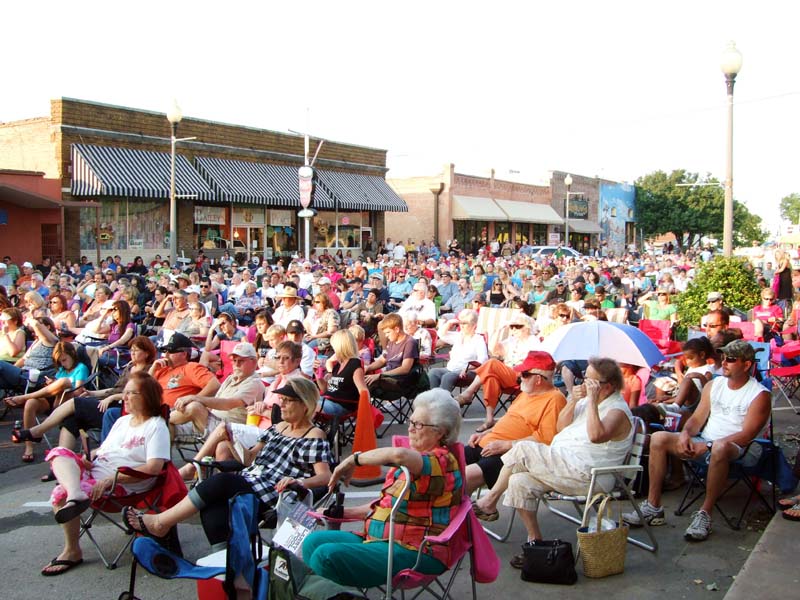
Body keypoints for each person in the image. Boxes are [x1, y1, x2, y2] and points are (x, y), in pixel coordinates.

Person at [125, 377, 331, 550]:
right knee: (213, 504)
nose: (281, 404)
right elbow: (249, 459)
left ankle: (161, 522)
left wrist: (299, 482)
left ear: (304, 405)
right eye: (281, 399)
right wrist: (232, 441)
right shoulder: (278, 428)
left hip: (275, 492)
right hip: (252, 478)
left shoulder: (313, 435)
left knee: (221, 482)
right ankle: (226, 562)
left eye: (287, 401)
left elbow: (325, 476)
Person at [473, 357, 633, 568]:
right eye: (584, 378)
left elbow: (596, 435)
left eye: (591, 382)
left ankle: (489, 502)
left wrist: (592, 402)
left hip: (590, 474)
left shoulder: (617, 410)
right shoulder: (586, 401)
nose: (584, 384)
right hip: (563, 466)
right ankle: (535, 542)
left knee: (522, 448)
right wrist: (575, 400)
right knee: (519, 481)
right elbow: (560, 426)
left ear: (608, 386)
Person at [302, 389, 462, 588]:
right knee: (313, 542)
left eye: (418, 425)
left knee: (325, 557)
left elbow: (398, 456)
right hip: (381, 540)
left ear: (441, 432)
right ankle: (330, 592)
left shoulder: (440, 461)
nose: (410, 429)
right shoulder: (417, 460)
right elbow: (387, 505)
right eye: (411, 422)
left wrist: (353, 459)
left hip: (418, 550)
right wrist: (343, 511)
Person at [623, 340, 770, 541]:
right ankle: (653, 506)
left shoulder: (759, 394)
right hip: (706, 441)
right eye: (724, 357)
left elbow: (747, 435)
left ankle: (705, 514)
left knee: (719, 447)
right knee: (658, 438)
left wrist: (707, 445)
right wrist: (685, 435)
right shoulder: (714, 385)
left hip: (741, 449)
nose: (725, 362)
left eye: (732, 359)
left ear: (746, 365)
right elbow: (697, 419)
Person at [40, 371, 170, 576]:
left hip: (124, 484)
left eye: (130, 393)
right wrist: (88, 460)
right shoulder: (121, 422)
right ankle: (76, 494)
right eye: (124, 393)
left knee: (58, 494)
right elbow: (102, 452)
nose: (123, 398)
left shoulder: (156, 426)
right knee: (59, 453)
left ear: (146, 397)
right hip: (97, 475)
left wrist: (112, 479)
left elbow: (155, 468)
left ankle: (72, 550)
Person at [464, 351, 566, 493]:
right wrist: (486, 433)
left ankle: (458, 512)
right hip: (488, 444)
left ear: (538, 379)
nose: (519, 378)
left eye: (524, 374)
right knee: (446, 464)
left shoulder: (555, 399)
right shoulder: (526, 393)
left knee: (464, 476)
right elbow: (509, 420)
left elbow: (546, 439)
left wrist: (507, 445)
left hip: (510, 455)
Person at [455, 314, 541, 430]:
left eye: (517, 326)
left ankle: (468, 393)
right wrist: (499, 329)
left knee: (492, 362)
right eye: (512, 327)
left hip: (522, 377)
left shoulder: (533, 342)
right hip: (507, 376)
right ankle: (489, 419)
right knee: (491, 379)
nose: (514, 329)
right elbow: (493, 349)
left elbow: (533, 365)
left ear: (527, 327)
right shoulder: (512, 341)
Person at [8, 342, 90, 463]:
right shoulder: (62, 369)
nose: (63, 364)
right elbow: (54, 387)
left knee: (64, 382)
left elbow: (78, 392)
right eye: (60, 362)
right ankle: (29, 447)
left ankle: (23, 397)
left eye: (64, 360)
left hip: (67, 403)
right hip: (54, 400)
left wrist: (60, 386)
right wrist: (52, 384)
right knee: (31, 403)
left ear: (72, 354)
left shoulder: (81, 368)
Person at [171, 342, 266, 439]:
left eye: (241, 361)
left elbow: (229, 404)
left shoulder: (254, 383)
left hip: (229, 430)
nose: (236, 364)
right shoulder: (231, 378)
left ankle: (165, 416)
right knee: (167, 427)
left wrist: (195, 398)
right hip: (211, 423)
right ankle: (163, 420)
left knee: (194, 406)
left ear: (254, 362)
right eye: (234, 360)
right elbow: (215, 403)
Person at [427, 309, 487, 392]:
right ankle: (433, 399)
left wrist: (467, 368)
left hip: (467, 372)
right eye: (461, 323)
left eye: (465, 323)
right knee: (433, 372)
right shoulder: (458, 336)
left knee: (447, 377)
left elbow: (483, 359)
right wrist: (449, 323)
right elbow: (441, 334)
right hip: (451, 369)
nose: (461, 326)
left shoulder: (478, 340)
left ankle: (444, 402)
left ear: (473, 325)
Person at [364, 313, 420, 397]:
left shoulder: (409, 343)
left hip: (400, 380)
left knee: (364, 385)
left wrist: (380, 375)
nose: (386, 336)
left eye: (388, 332)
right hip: (387, 376)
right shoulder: (392, 341)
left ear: (397, 329)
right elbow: (383, 360)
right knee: (358, 379)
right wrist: (368, 367)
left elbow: (405, 369)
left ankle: (365, 408)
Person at [317, 330, 369, 417]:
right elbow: (326, 389)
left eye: (334, 347)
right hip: (328, 401)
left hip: (342, 406)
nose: (333, 350)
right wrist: (318, 374)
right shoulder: (338, 365)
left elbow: (363, 390)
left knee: (307, 406)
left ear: (340, 347)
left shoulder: (354, 364)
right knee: (301, 402)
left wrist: (366, 414)